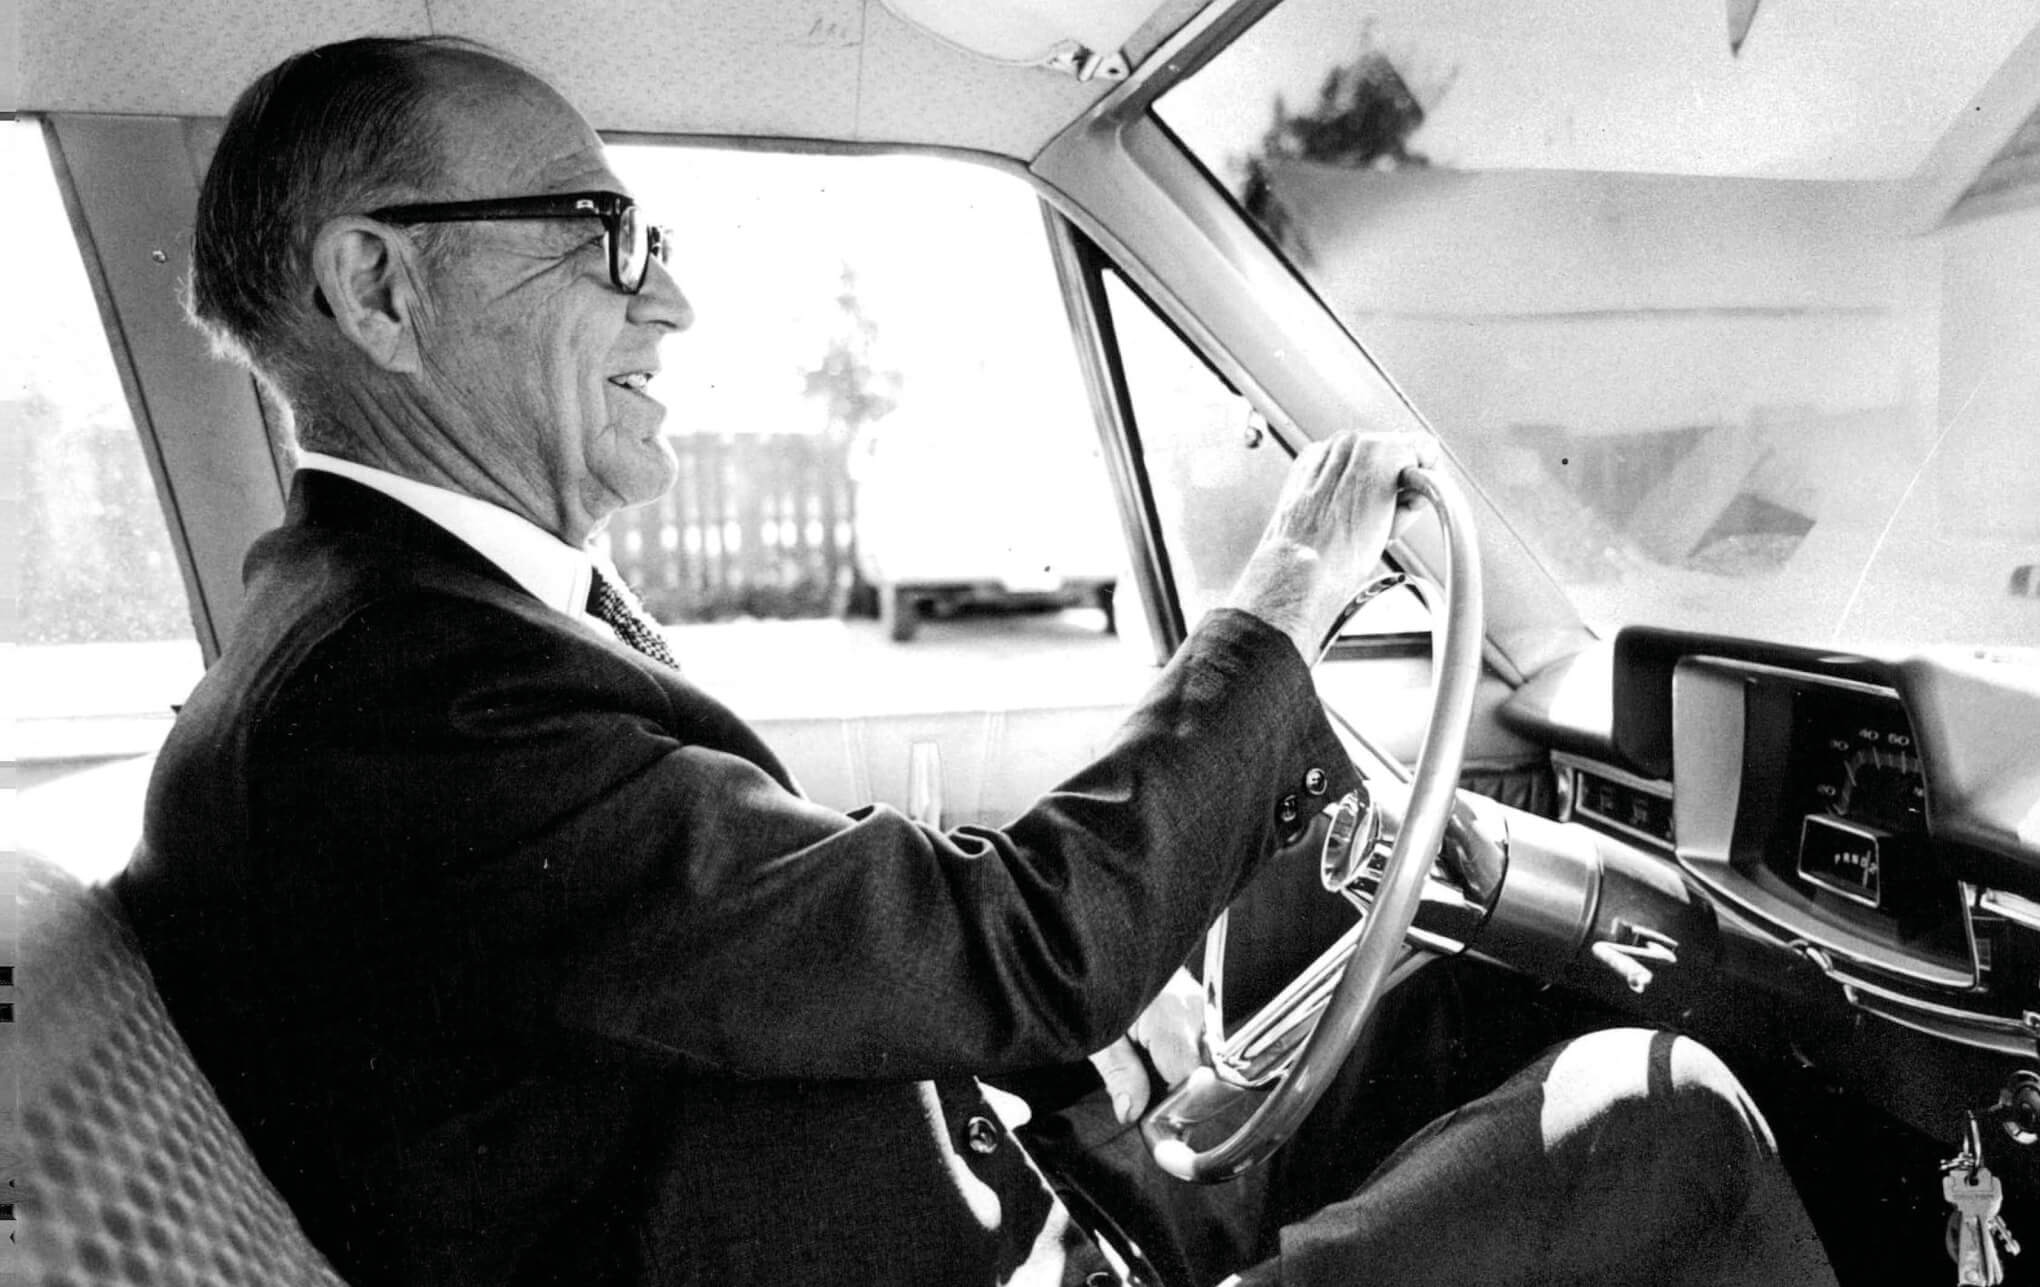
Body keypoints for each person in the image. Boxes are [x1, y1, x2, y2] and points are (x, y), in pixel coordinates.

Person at [117, 34, 1833, 1287]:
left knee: (1439, 1005)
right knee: (1657, 1115)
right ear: (380, 287)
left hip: (993, 1202)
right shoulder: (400, 708)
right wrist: (1281, 606)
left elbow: (802, 971)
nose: (671, 308)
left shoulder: (391, 643)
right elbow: (1015, 953)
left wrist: (1079, 1076)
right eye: (603, 232)